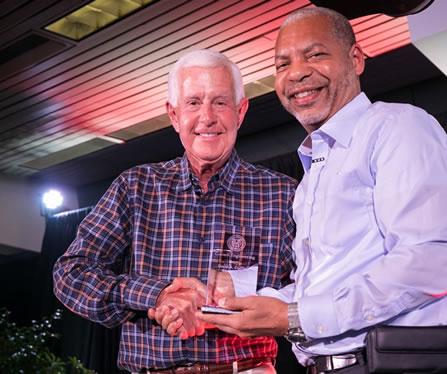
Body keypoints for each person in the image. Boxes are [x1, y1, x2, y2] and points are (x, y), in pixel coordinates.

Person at [199, 7, 447, 374]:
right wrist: (236, 301)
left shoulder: (398, 128)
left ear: (356, 59)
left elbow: (424, 265)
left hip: (401, 364)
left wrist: (295, 316)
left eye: (316, 54)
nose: (297, 72)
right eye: (283, 64)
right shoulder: (316, 169)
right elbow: (318, 287)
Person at [52, 49, 297, 373]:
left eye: (220, 102)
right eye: (194, 102)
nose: (207, 117)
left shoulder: (282, 195)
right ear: (174, 114)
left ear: (240, 111)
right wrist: (156, 297)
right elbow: (70, 274)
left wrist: (242, 302)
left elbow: (315, 290)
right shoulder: (136, 187)